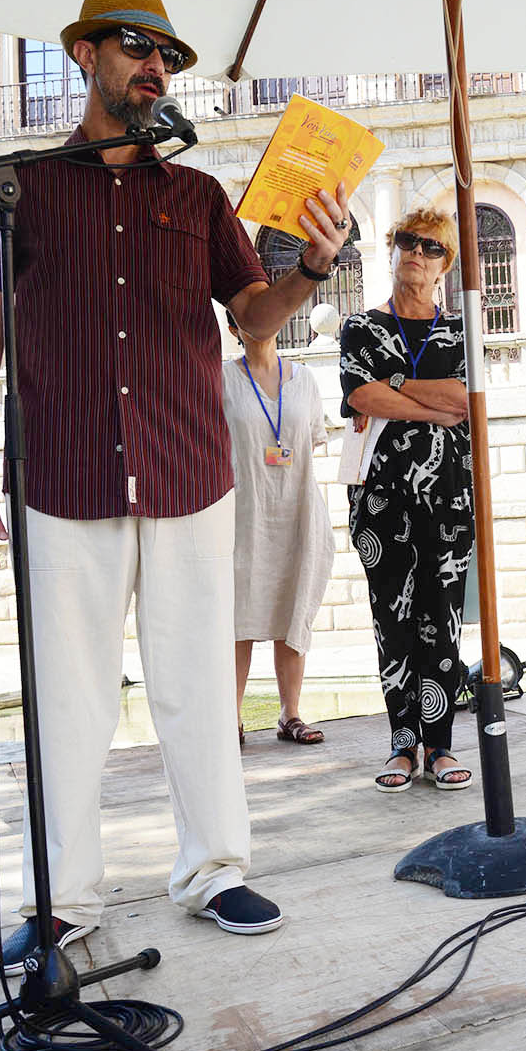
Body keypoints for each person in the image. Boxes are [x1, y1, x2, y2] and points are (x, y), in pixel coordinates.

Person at [0, 0, 353, 974]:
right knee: (68, 701)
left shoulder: (200, 197)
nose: (157, 67)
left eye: (168, 54)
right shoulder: (19, 189)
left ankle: (215, 870)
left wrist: (312, 269)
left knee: (198, 688)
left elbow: (253, 318)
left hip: (187, 474)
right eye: (136, 46)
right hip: (64, 475)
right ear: (85, 54)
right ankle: (62, 901)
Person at [338, 208, 475, 792]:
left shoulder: (462, 332)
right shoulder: (361, 328)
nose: (417, 253)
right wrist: (430, 406)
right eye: (407, 242)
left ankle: (439, 745)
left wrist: (394, 386)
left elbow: (466, 401)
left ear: (445, 264)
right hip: (380, 499)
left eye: (431, 247)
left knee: (441, 620)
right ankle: (402, 744)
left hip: (449, 499)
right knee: (391, 621)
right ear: (392, 250)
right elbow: (360, 395)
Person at [224, 317, 335, 745]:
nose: (260, 324)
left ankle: (291, 713)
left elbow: (312, 441)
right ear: (234, 329)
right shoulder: (221, 380)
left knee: (295, 605)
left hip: (297, 509)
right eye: (248, 318)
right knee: (239, 615)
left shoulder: (304, 380)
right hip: (244, 513)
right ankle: (230, 718)